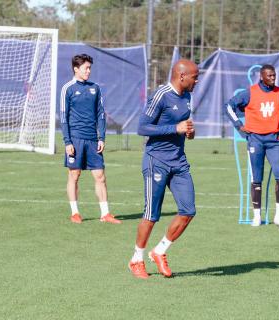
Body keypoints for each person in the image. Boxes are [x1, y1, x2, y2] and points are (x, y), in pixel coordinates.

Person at [128, 59, 198, 279]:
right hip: (156, 160)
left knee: (188, 210)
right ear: (182, 76)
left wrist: (189, 131)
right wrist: (174, 128)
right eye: (195, 77)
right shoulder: (161, 95)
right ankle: (136, 259)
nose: (197, 81)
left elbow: (185, 124)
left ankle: (159, 251)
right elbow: (142, 127)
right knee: (152, 214)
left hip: (179, 162)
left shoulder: (187, 96)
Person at [224, 64, 279, 229]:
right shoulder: (250, 92)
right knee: (256, 178)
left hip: (274, 141)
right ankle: (256, 216)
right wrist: (239, 125)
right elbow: (229, 106)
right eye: (270, 76)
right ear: (262, 77)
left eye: (274, 75)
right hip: (255, 140)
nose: (273, 78)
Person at [60, 54, 121, 225]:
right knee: (74, 174)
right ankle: (75, 212)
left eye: (90, 68)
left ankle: (105, 213)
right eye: (86, 68)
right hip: (76, 139)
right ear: (76, 69)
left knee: (100, 176)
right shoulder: (68, 88)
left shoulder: (95, 88)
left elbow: (101, 114)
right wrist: (67, 142)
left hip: (93, 140)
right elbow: (63, 117)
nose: (89, 71)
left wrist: (101, 137)